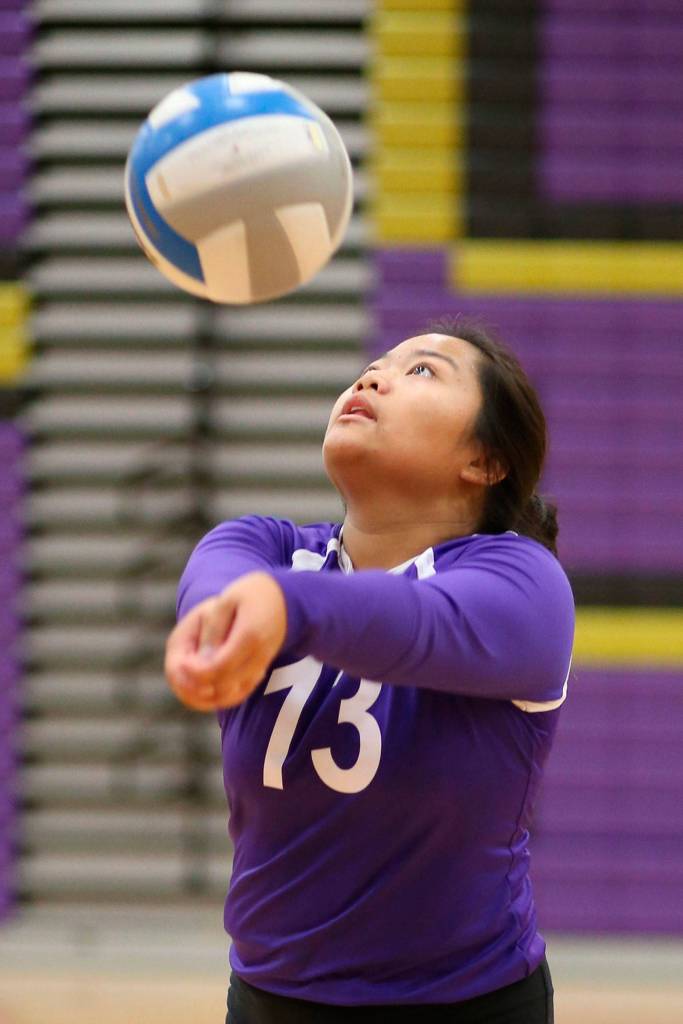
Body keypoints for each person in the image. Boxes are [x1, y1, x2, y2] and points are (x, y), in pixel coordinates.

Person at [164, 318, 574, 1023]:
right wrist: (227, 624)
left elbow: (411, 622)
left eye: (421, 371)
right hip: (271, 1001)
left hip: (466, 1003)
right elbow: (218, 599)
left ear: (483, 461)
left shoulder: (521, 583)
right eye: (375, 362)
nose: (371, 376)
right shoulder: (255, 547)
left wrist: (279, 609)